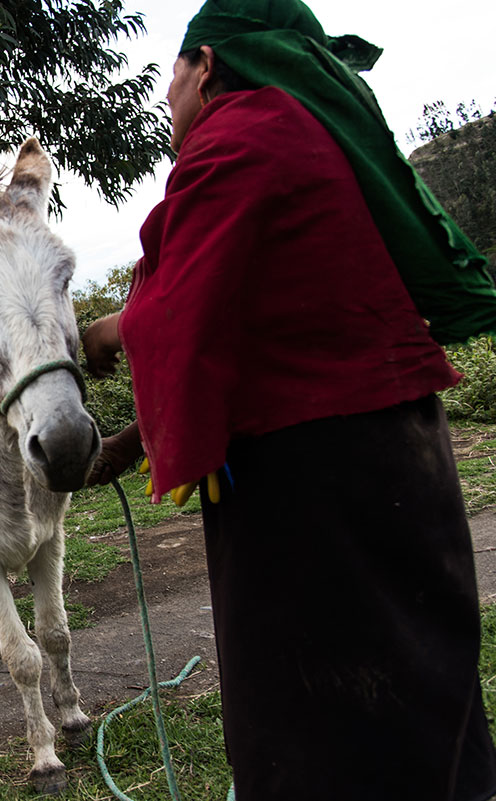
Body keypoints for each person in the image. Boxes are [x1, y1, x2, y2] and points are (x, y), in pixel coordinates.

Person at [82, 0, 496, 798]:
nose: (167, 98)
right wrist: (131, 442)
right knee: (418, 688)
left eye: (171, 76)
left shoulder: (241, 137)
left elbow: (178, 316)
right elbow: (255, 334)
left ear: (205, 65)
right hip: (395, 457)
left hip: (315, 481)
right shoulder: (308, 135)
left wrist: (104, 334)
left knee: (314, 716)